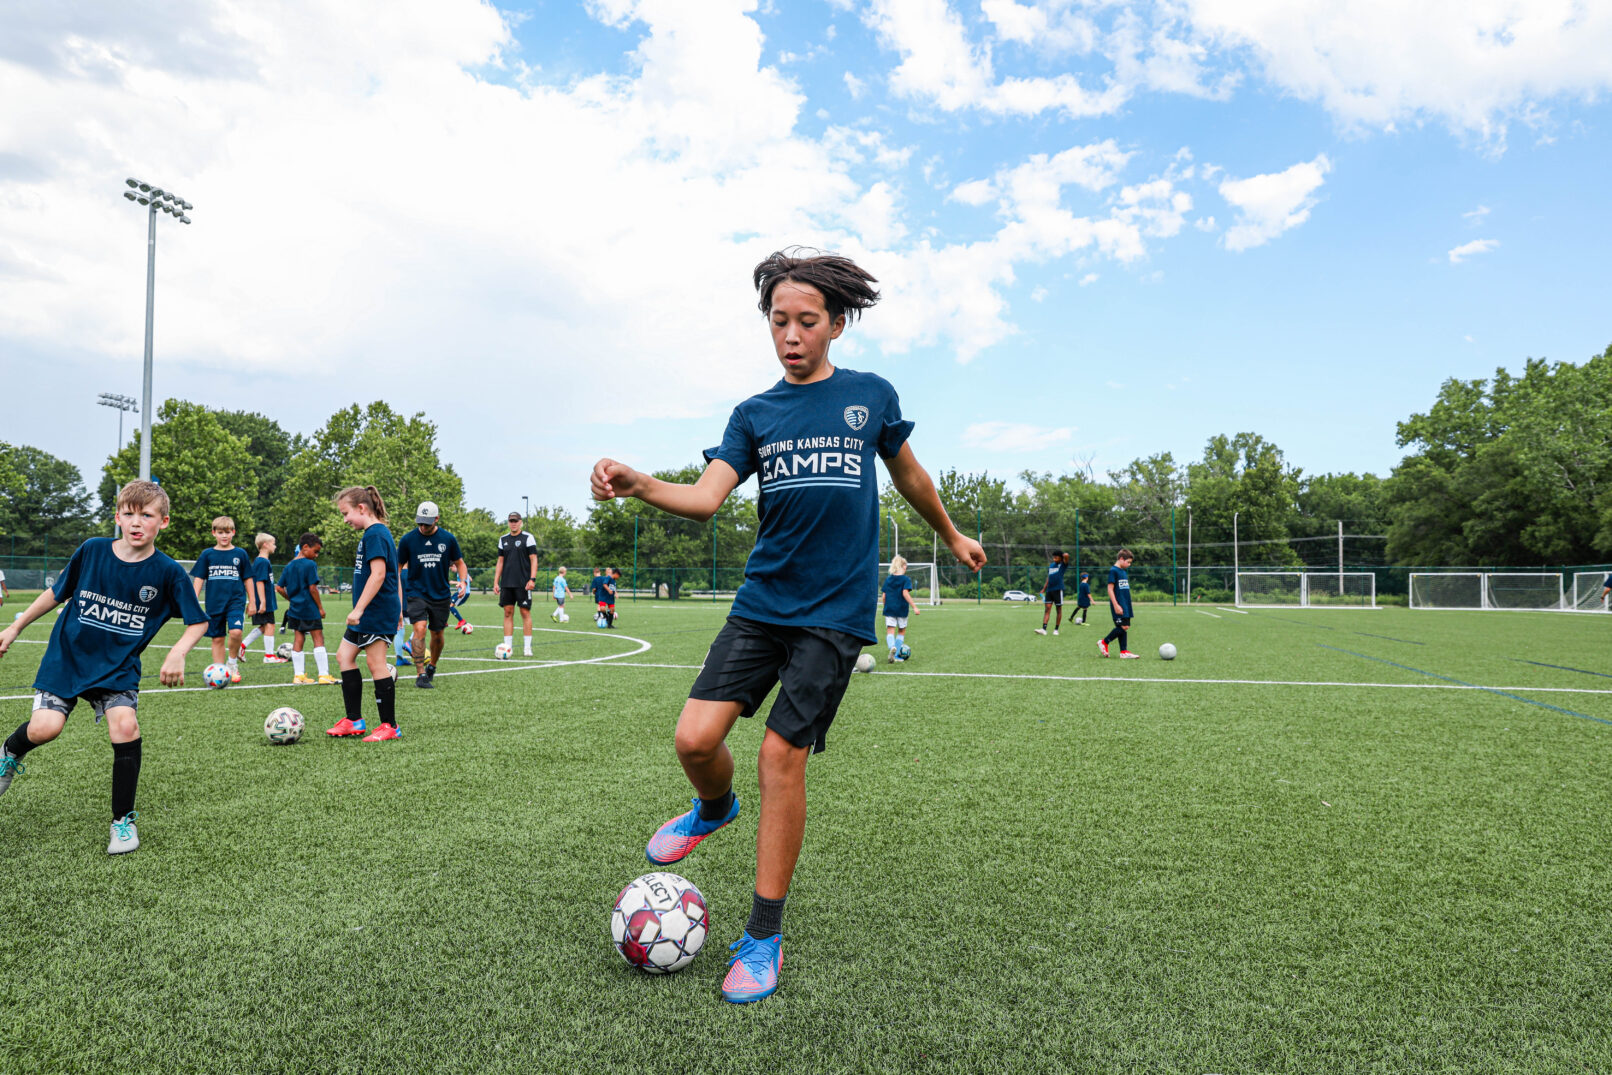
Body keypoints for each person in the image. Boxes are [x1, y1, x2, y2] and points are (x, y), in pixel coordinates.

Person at [590, 248, 986, 1004]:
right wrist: (639, 483)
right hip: (761, 604)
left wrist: (951, 534)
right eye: (779, 321)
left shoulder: (870, 397)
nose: (792, 334)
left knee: (780, 757)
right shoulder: (754, 414)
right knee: (694, 740)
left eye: (808, 321)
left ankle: (764, 935)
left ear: (837, 323)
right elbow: (708, 497)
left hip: (833, 616)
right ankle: (714, 808)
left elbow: (910, 476)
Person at [0, 480, 208, 854]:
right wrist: (15, 626)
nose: (136, 522)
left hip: (117, 666)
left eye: (147, 515)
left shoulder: (168, 572)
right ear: (117, 517)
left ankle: (122, 822)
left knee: (125, 726)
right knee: (45, 729)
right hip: (69, 656)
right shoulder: (92, 550)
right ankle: (9, 755)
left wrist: (178, 651)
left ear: (164, 521)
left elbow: (198, 621)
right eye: (129, 513)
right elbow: (56, 593)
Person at [325, 486, 403, 741]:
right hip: (369, 613)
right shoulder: (372, 534)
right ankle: (354, 720)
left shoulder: (376, 534)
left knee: (375, 663)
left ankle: (389, 726)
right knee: (344, 656)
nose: (345, 519)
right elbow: (394, 576)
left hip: (375, 612)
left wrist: (358, 609)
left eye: (346, 513)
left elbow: (380, 575)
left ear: (361, 508)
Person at [397, 500, 468, 690]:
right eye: (420, 522)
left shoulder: (448, 539)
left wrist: (463, 581)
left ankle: (432, 666)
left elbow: (460, 563)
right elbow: (397, 567)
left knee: (437, 634)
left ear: (436, 519)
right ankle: (420, 674)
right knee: (419, 629)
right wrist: (396, 591)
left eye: (427, 523)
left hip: (440, 594)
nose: (422, 526)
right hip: (416, 592)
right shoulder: (407, 540)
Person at [191, 516, 255, 683]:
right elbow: (199, 578)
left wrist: (253, 602)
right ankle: (219, 672)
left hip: (235, 601)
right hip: (214, 602)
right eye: (220, 532)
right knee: (217, 638)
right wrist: (192, 600)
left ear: (233, 532)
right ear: (214, 533)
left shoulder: (240, 554)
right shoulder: (207, 554)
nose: (224, 536)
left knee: (236, 632)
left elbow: (248, 578)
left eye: (227, 532)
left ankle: (232, 663)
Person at [277, 533, 333, 684]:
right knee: (318, 638)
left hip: (295, 609)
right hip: (309, 608)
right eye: (315, 551)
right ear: (305, 547)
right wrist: (320, 608)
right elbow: (313, 588)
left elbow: (279, 588)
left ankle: (299, 676)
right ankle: (323, 675)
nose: (316, 555)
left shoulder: (289, 566)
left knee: (298, 638)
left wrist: (291, 599)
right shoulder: (310, 565)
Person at [495, 512, 539, 657]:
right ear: (508, 522)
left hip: (523, 583)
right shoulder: (503, 539)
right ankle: (507, 647)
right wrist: (496, 581)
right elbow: (500, 561)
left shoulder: (528, 537)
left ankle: (527, 648)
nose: (513, 523)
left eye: (515, 521)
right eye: (511, 521)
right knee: (508, 613)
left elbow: (533, 559)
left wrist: (532, 579)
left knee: (525, 612)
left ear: (520, 522)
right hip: (507, 583)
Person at [240, 532, 286, 663]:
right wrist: (263, 602)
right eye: (273, 543)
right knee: (270, 625)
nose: (275, 546)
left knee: (265, 626)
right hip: (263, 600)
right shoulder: (261, 561)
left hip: (266, 599)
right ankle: (269, 656)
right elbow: (259, 582)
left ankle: (241, 647)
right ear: (265, 545)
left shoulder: (264, 561)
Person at [1099, 549, 1139, 658]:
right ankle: (1104, 642)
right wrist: (1116, 605)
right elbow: (1110, 589)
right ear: (1121, 559)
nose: (1129, 565)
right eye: (1128, 562)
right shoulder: (1114, 571)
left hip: (1125, 604)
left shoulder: (1123, 571)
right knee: (1124, 626)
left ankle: (1123, 652)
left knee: (1122, 627)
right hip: (1118, 604)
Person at [880, 555, 918, 661]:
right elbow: (905, 593)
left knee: (890, 630)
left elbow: (884, 596)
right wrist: (914, 606)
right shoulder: (906, 579)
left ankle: (892, 646)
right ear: (903, 566)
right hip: (902, 609)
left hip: (889, 609)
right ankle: (896, 655)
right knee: (901, 631)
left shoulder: (888, 579)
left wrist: (885, 606)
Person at [1035, 551, 1068, 636]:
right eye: (1053, 557)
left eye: (1056, 557)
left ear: (1060, 558)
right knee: (1047, 609)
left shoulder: (1063, 565)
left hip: (1058, 590)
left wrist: (1062, 555)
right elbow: (1048, 578)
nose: (1054, 559)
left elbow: (1066, 556)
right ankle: (1043, 629)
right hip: (1049, 590)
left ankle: (1056, 630)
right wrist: (1044, 589)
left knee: (1058, 610)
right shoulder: (1051, 566)